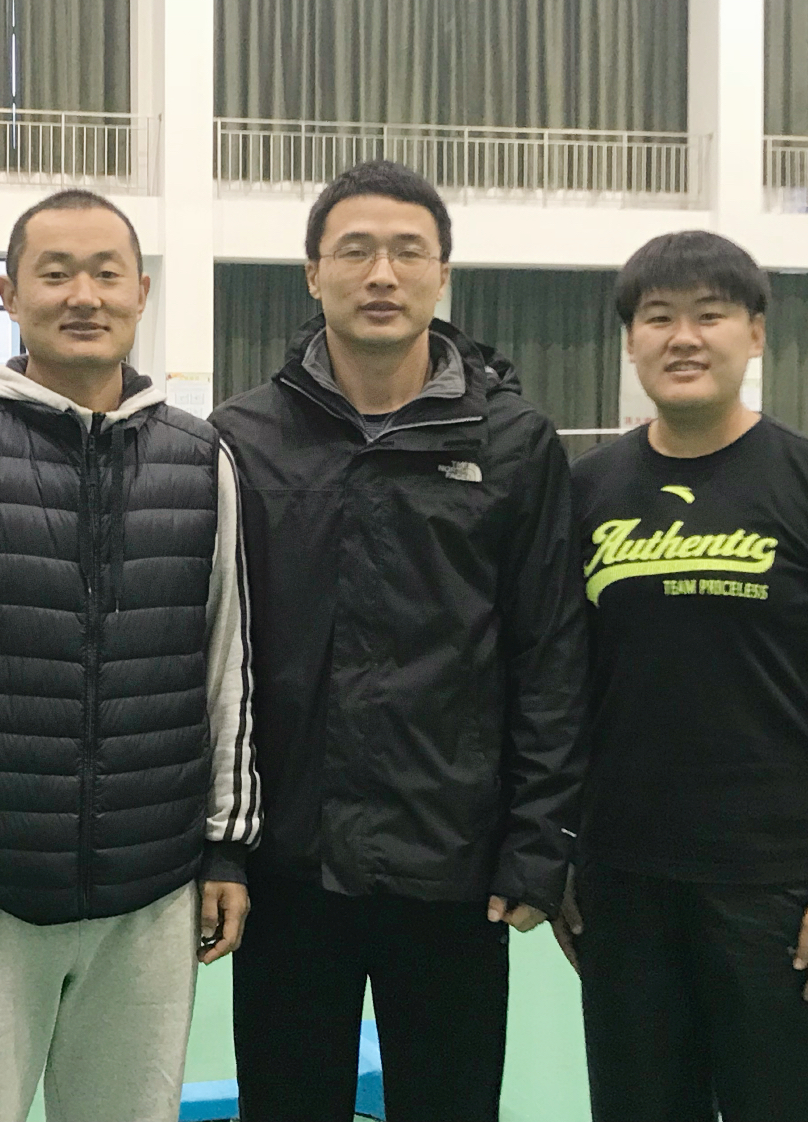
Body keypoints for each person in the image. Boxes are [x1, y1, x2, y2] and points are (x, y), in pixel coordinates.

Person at [0, 188, 260, 1122]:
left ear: (141, 292)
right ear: (11, 295)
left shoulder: (204, 459)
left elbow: (227, 664)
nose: (84, 295)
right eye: (56, 274)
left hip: (150, 900)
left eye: (107, 273)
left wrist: (226, 845)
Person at [210, 160, 588, 1122]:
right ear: (313, 273)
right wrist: (218, 848)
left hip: (455, 873)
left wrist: (538, 841)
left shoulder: (515, 444)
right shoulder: (241, 439)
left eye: (407, 252)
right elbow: (213, 658)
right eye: (355, 251)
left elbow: (550, 655)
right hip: (288, 871)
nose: (381, 273)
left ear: (442, 273)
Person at [562, 231, 808, 1122]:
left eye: (710, 315)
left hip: (778, 887)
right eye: (658, 317)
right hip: (623, 884)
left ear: (754, 333)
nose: (684, 337)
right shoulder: (586, 491)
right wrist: (559, 857)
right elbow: (555, 687)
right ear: (630, 341)